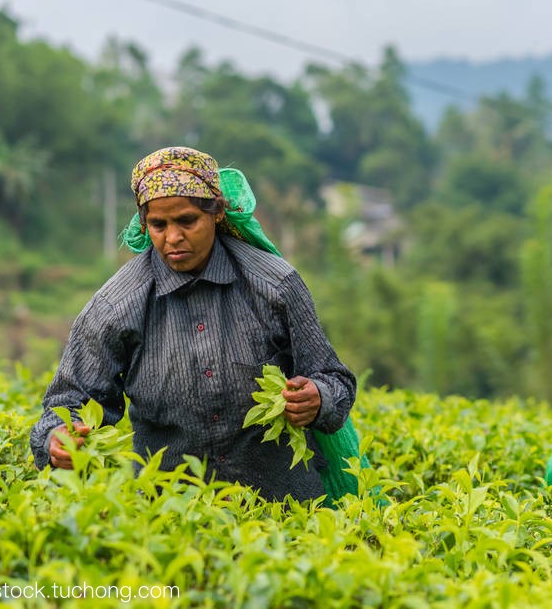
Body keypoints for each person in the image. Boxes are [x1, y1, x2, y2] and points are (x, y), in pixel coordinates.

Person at [29, 146, 356, 501]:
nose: (172, 238)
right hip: (170, 515)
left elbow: (334, 379)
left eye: (187, 221)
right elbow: (70, 400)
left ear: (215, 214)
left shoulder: (275, 285)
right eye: (159, 225)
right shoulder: (115, 307)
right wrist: (60, 437)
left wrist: (317, 398)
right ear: (144, 224)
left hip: (281, 507)